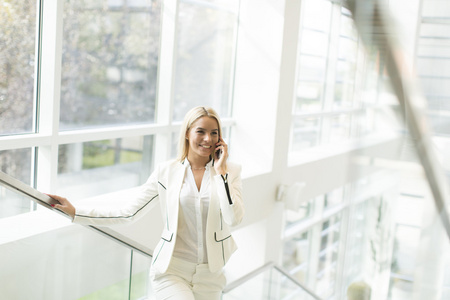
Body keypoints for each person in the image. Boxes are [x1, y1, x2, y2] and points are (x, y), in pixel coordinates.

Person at [48, 106, 245, 300]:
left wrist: (221, 173)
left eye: (214, 133)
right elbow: (128, 213)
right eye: (200, 132)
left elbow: (233, 219)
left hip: (211, 276)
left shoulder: (230, 172)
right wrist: (77, 212)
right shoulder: (167, 172)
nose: (207, 139)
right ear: (187, 133)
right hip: (172, 270)